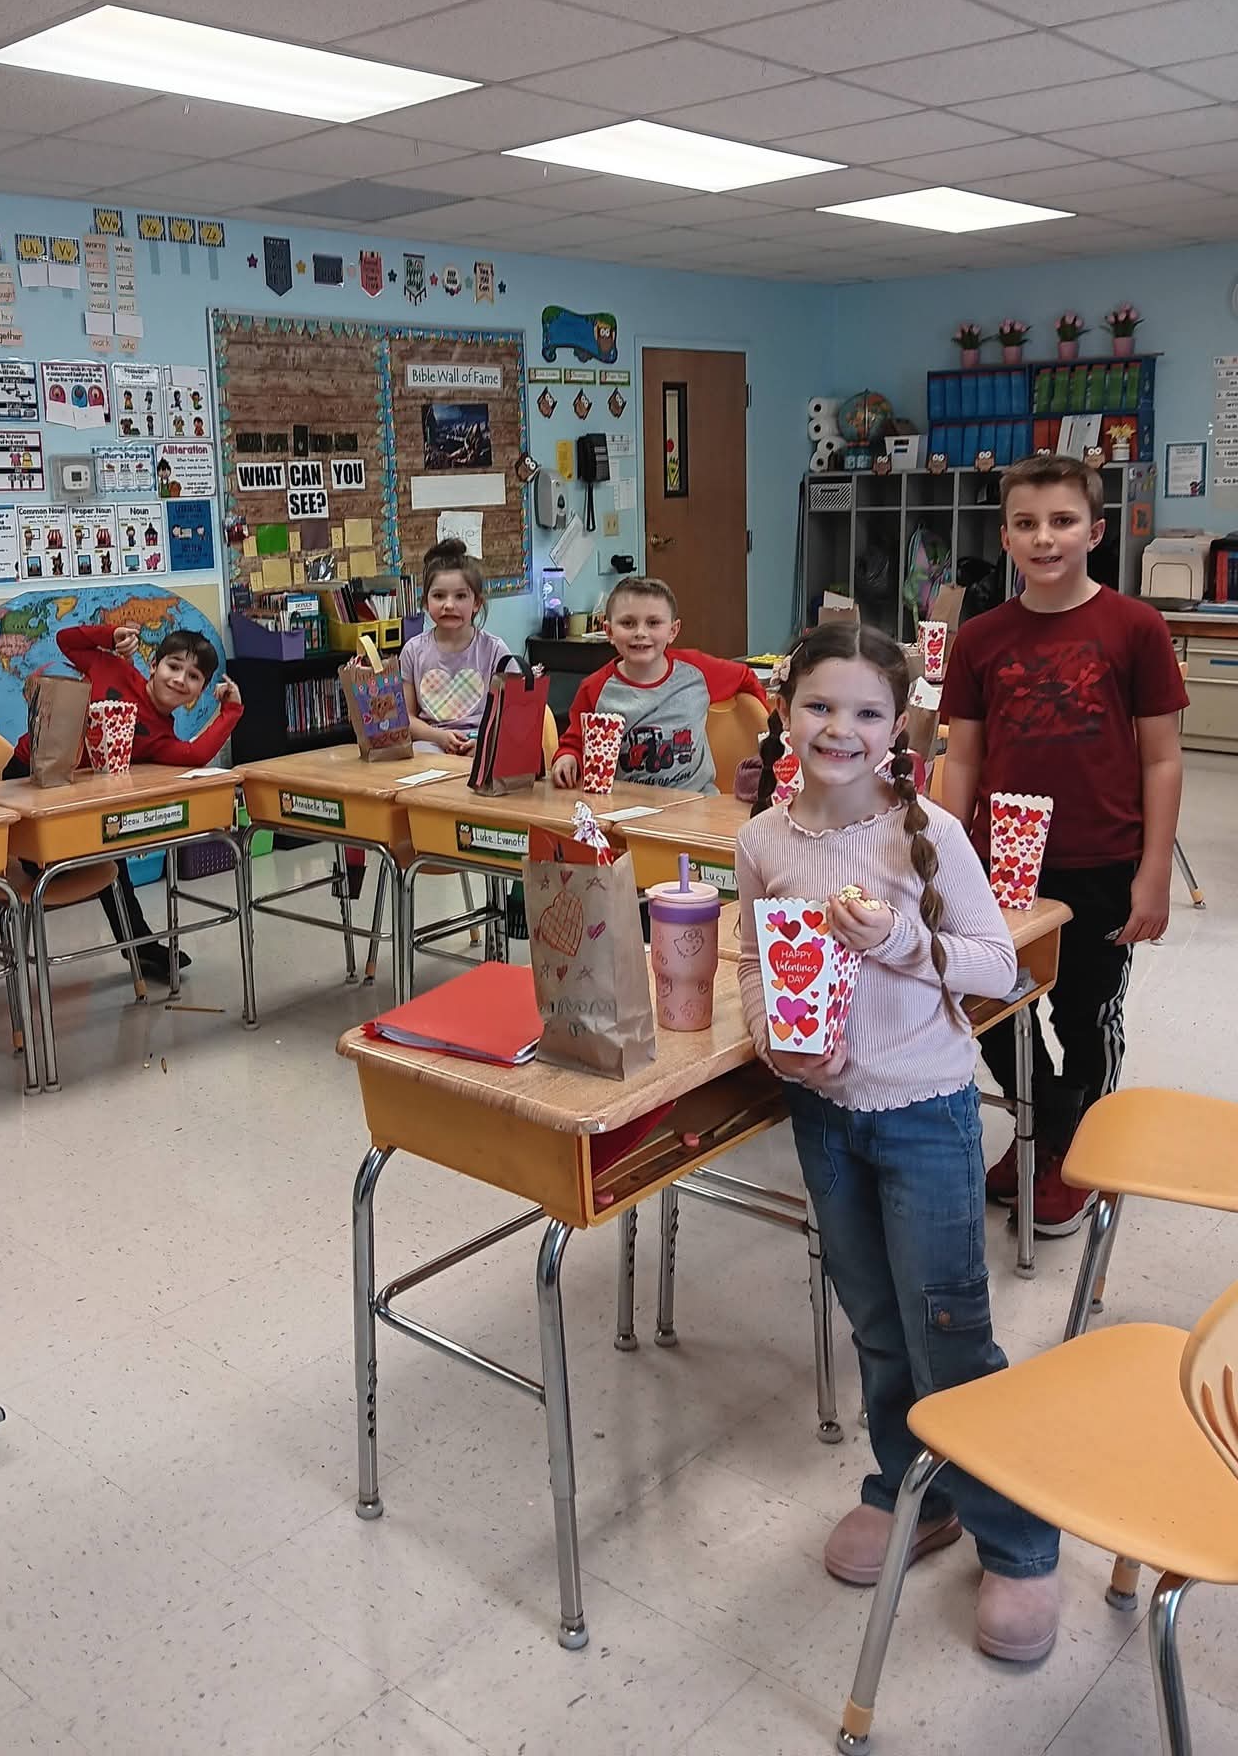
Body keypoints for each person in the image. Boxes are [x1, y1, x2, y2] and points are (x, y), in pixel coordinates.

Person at [737, 619, 1061, 1662]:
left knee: (948, 1331)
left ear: (897, 726)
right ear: (784, 709)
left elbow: (997, 966)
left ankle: (1018, 1540)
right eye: (820, 705)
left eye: (867, 712)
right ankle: (913, 1492)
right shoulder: (764, 840)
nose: (841, 728)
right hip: (824, 1118)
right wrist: (777, 1043)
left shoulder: (928, 833)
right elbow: (753, 960)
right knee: (876, 1321)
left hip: (924, 1112)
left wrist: (899, 939)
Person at [938, 455, 1186, 1236]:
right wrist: (942, 863)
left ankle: (1080, 1153)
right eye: (1026, 523)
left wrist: (1154, 872)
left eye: (1062, 521)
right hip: (1001, 872)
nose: (1044, 537)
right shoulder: (980, 638)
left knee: (1085, 1016)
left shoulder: (1136, 628)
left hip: (1102, 864)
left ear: (1095, 532)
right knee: (992, 1009)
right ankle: (1045, 1129)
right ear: (1005, 537)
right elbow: (963, 759)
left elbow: (1162, 758)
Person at [7, 624, 242, 981]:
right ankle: (139, 945)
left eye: (193, 676)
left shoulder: (160, 737)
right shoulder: (113, 668)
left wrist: (231, 711)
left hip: (73, 806)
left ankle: (138, 945)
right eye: (173, 666)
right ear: (154, 666)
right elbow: (65, 640)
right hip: (25, 781)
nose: (180, 679)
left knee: (108, 844)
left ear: (201, 691)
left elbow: (195, 755)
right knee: (102, 847)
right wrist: (110, 635)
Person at [550, 575, 765, 793]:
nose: (640, 633)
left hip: (698, 801)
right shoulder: (594, 688)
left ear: (673, 631)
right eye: (628, 623)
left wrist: (769, 729)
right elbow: (575, 742)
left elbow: (745, 677)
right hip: (624, 805)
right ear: (609, 632)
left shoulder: (697, 671)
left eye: (653, 623)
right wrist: (567, 757)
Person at [397, 538, 512, 755]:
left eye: (460, 596)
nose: (449, 605)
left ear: (476, 603)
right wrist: (439, 737)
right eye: (439, 596)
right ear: (426, 602)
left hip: (482, 742)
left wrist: (485, 743)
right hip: (431, 742)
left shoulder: (495, 651)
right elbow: (406, 719)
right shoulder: (413, 651)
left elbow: (511, 716)